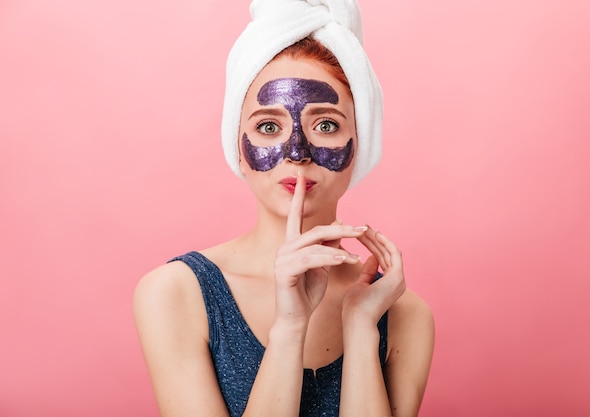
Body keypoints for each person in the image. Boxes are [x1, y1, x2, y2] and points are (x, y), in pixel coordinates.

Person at [133, 1, 434, 416]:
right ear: (236, 147)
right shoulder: (175, 293)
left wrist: (363, 331)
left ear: (360, 144)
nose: (297, 152)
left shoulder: (401, 312)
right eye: (268, 126)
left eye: (326, 125)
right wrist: (289, 328)